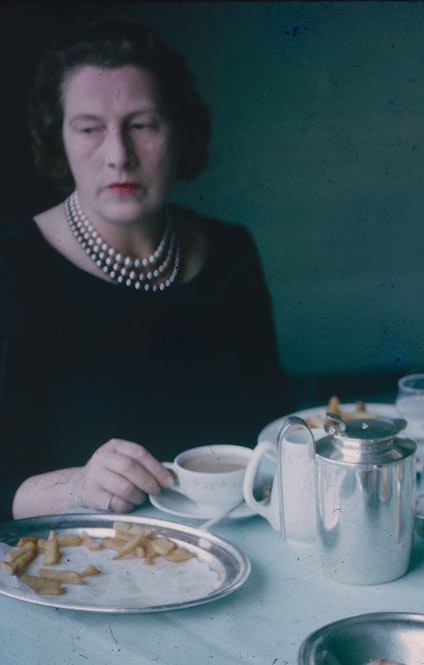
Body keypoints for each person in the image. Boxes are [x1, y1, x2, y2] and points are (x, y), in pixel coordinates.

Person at [0, 19, 293, 521]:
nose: (118, 156)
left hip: (237, 557)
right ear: (59, 140)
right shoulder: (11, 264)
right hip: (75, 569)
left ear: (180, 133)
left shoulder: (231, 250)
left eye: (142, 125)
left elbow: (268, 433)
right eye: (90, 129)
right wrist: (78, 486)